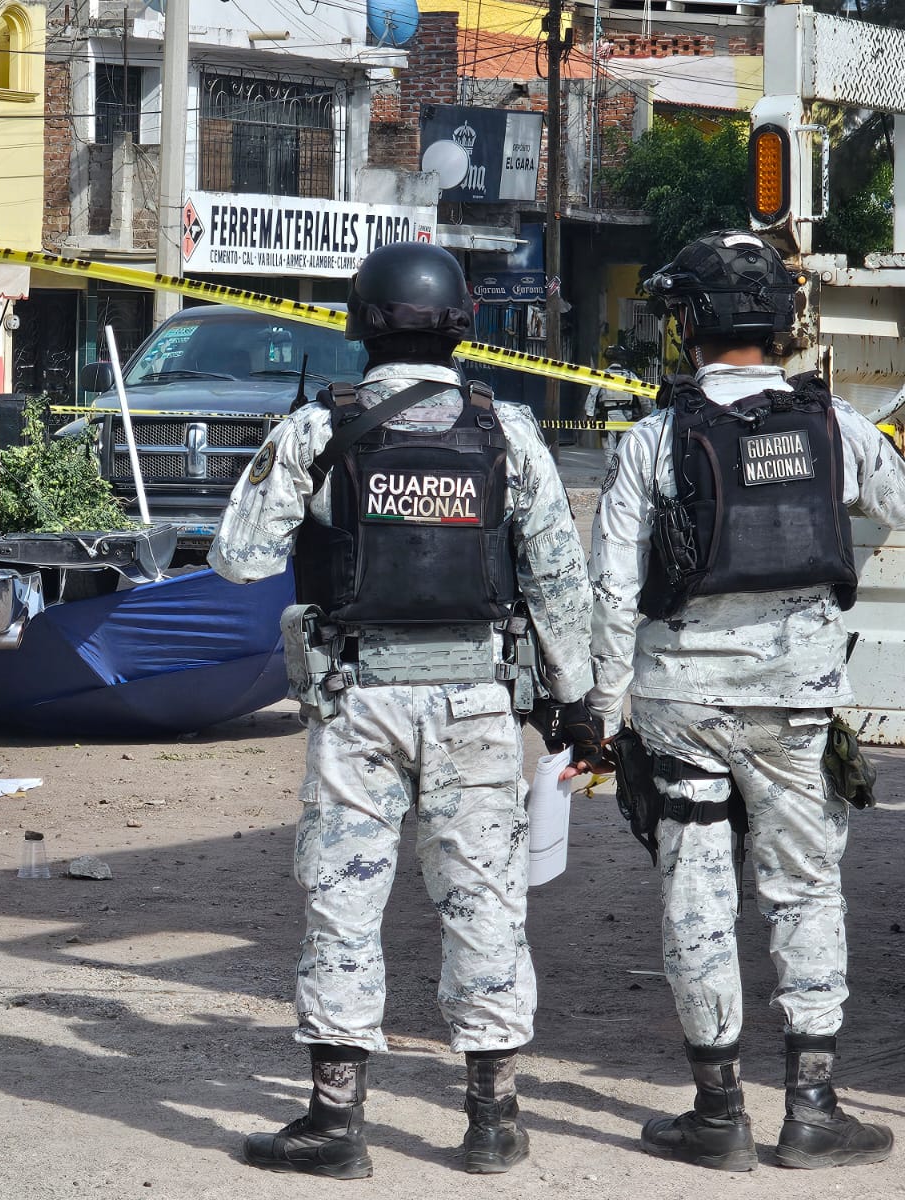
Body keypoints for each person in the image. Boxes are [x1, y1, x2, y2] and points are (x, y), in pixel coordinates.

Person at [209, 241, 597, 1179]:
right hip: (476, 703)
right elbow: (557, 580)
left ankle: (336, 1128)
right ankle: (494, 1121)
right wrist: (579, 704)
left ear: (360, 321)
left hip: (361, 699)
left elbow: (239, 558)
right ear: (464, 323)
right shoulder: (508, 431)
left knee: (344, 901)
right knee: (486, 903)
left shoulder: (317, 429)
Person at [576, 229, 905, 1172]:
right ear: (782, 320)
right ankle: (814, 1107)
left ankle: (718, 1111)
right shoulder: (832, 426)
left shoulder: (653, 436)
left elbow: (611, 589)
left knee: (698, 897)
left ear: (692, 324)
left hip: (682, 702)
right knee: (805, 891)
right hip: (798, 706)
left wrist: (600, 715)